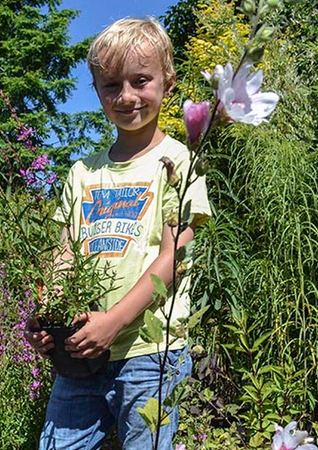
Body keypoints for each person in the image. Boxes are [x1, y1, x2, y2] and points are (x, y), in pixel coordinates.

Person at [24, 16, 211, 450]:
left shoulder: (177, 160)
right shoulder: (83, 171)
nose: (126, 96)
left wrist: (114, 322)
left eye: (140, 80)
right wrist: (47, 315)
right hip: (81, 350)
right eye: (111, 85)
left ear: (168, 81)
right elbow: (65, 252)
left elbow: (177, 256)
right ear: (96, 91)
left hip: (150, 352)